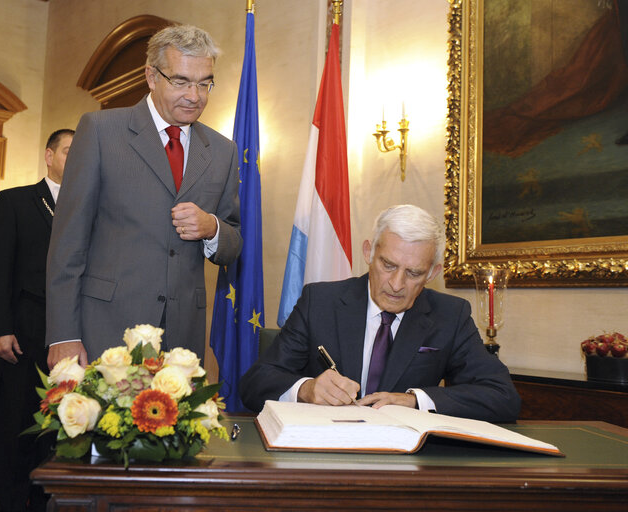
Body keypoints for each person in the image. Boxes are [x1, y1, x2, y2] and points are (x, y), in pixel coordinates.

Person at [45, 25, 242, 369]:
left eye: (204, 82)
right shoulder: (100, 131)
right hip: (104, 330)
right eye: (181, 81)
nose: (194, 96)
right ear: (151, 76)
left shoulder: (222, 151)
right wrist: (63, 334)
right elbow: (68, 243)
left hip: (181, 341)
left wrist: (211, 228)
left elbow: (233, 241)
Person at [240, 204, 521, 423]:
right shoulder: (320, 301)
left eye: (414, 273)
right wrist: (307, 389)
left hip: (407, 466)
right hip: (325, 456)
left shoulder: (450, 315)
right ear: (368, 253)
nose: (397, 285)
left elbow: (503, 397)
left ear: (433, 273)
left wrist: (416, 401)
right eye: (388, 265)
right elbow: (255, 383)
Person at [0, 128, 74, 512]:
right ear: (49, 156)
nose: (76, 158)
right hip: (22, 334)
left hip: (70, 338)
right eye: (69, 151)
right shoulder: (16, 201)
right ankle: (9, 504)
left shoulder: (92, 206)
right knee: (17, 429)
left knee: (60, 429)